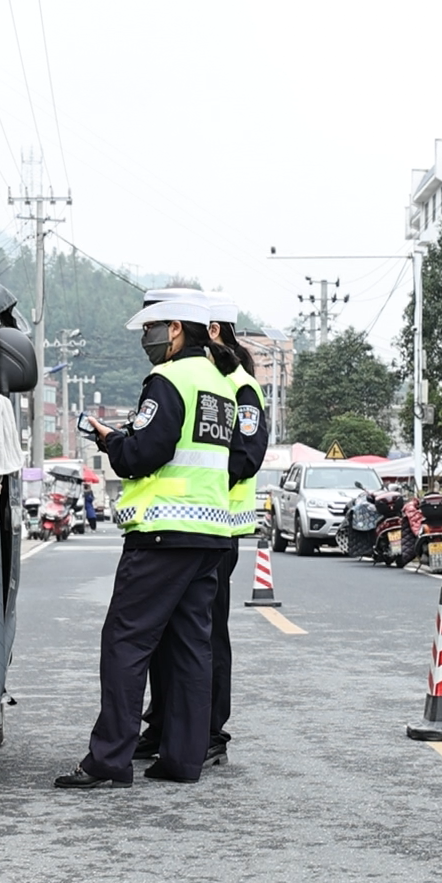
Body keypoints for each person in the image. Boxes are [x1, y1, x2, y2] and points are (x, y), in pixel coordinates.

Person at [55, 297, 237, 789]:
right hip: (210, 532)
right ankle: (183, 760)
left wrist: (112, 442)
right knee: (190, 648)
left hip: (163, 531)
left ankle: (108, 760)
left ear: (177, 328)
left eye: (152, 329)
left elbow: (144, 454)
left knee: (126, 641)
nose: (147, 339)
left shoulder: (170, 379)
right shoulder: (220, 385)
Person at [138, 293, 269, 768]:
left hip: (217, 526)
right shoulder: (198, 379)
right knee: (165, 634)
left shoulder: (239, 385)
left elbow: (245, 457)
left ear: (210, 330)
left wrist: (203, 485)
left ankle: (210, 730)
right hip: (181, 521)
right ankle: (165, 723)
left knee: (204, 635)